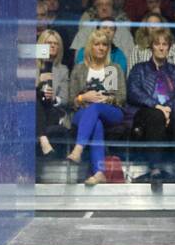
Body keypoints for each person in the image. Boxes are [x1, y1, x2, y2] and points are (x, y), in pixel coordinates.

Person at [126, 28, 175, 186]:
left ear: (169, 47)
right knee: (155, 115)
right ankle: (155, 170)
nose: (161, 47)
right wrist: (158, 107)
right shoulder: (139, 69)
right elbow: (133, 92)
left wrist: (168, 108)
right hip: (145, 116)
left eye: (164, 44)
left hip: (171, 114)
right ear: (151, 47)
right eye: (157, 44)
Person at [66, 29, 127, 186]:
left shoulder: (114, 68)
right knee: (96, 122)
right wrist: (83, 97)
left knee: (96, 108)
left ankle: (78, 149)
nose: (101, 48)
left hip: (110, 111)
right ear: (90, 47)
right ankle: (99, 173)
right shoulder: (79, 69)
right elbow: (69, 100)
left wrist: (107, 98)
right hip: (83, 111)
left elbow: (121, 97)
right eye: (97, 44)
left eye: (104, 45)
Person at [35, 29, 70, 157]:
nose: (53, 45)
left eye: (56, 43)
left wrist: (54, 98)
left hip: (52, 111)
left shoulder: (63, 70)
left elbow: (65, 99)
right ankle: (44, 140)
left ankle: (41, 137)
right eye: (48, 43)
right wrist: (38, 84)